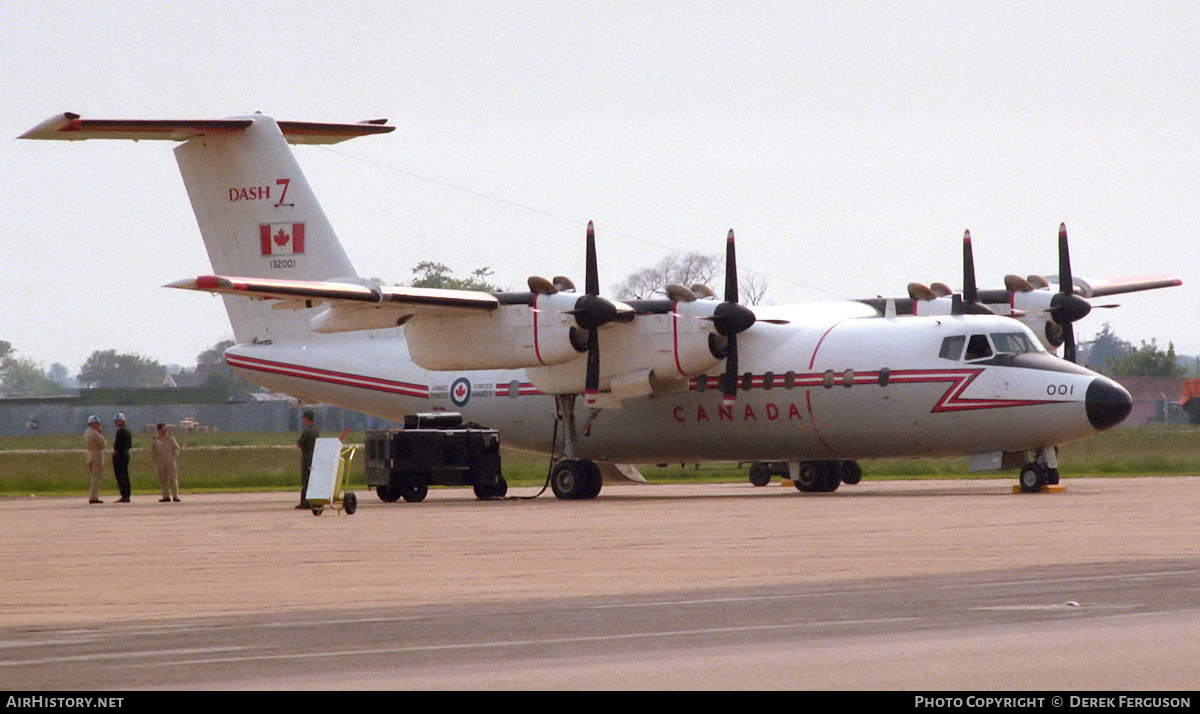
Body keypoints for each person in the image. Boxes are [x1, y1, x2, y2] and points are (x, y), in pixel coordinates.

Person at [151, 422, 182, 503]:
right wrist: (156, 460)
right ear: (159, 429)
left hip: (170, 461)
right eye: (164, 428)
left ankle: (175, 496)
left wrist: (173, 458)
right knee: (163, 479)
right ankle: (166, 496)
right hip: (161, 462)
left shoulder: (170, 438)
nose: (166, 429)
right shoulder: (155, 439)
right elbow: (153, 451)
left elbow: (177, 448)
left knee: (173, 478)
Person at [295, 410, 318, 509]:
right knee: (312, 479)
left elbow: (298, 444)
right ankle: (314, 501)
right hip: (315, 455)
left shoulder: (307, 431)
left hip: (307, 456)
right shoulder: (316, 430)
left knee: (306, 479)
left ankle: (305, 502)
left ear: (306, 419)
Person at [84, 415, 106, 504]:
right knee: (97, 477)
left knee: (94, 476)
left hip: (89, 454)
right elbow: (103, 445)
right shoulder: (95, 433)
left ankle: (93, 496)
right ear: (92, 423)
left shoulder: (86, 432)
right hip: (96, 455)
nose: (98, 424)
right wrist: (101, 434)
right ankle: (94, 497)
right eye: (96, 423)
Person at [112, 413, 132, 503]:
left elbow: (117, 445)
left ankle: (124, 495)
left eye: (116, 421)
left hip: (120, 455)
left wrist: (115, 453)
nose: (115, 423)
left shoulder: (120, 431)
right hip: (126, 453)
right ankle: (127, 494)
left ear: (121, 421)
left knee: (120, 475)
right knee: (125, 475)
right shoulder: (128, 430)